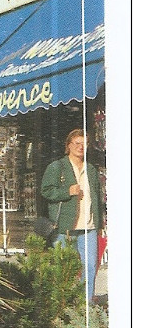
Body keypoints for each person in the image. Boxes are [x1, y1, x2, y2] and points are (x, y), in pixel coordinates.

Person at [41, 129, 104, 302]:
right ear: (68, 146)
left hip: (89, 226)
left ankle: (85, 304)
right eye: (77, 143)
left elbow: (97, 197)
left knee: (90, 267)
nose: (80, 147)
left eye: (84, 144)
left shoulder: (91, 169)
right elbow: (45, 191)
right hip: (65, 227)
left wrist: (100, 222)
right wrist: (66, 191)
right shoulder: (57, 167)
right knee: (63, 268)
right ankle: (62, 303)